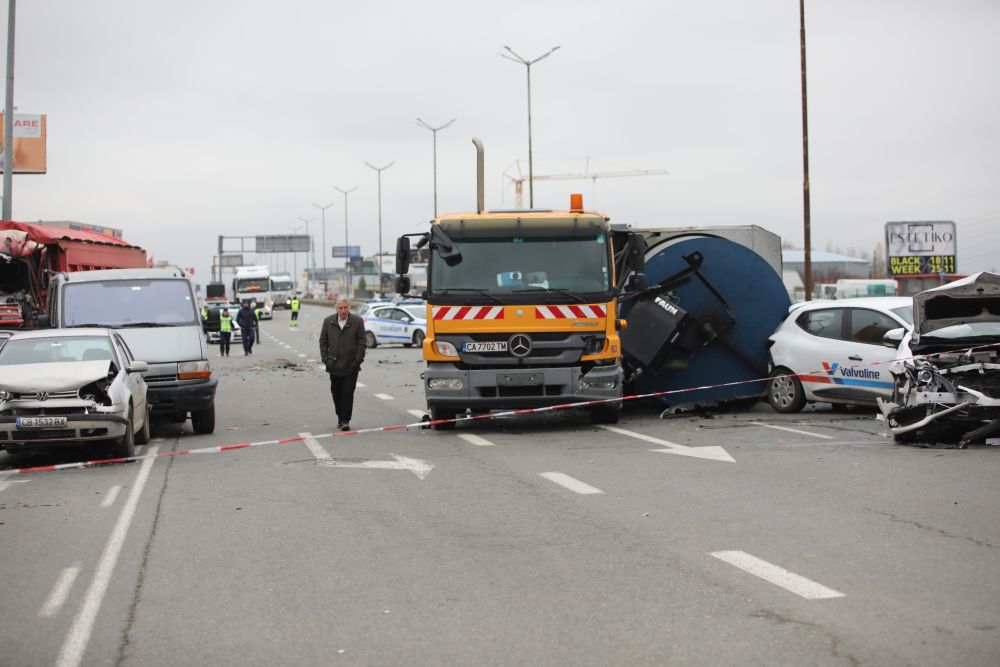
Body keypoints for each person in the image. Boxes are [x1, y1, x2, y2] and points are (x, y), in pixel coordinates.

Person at [319, 298, 366, 431]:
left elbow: (362, 342)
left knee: (347, 392)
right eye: (341, 308)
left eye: (346, 307)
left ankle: (345, 420)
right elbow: (323, 341)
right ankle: (340, 417)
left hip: (351, 366)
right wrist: (326, 359)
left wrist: (357, 360)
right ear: (336, 309)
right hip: (334, 366)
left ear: (349, 308)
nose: (343, 310)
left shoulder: (357, 322)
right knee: (336, 393)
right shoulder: (328, 322)